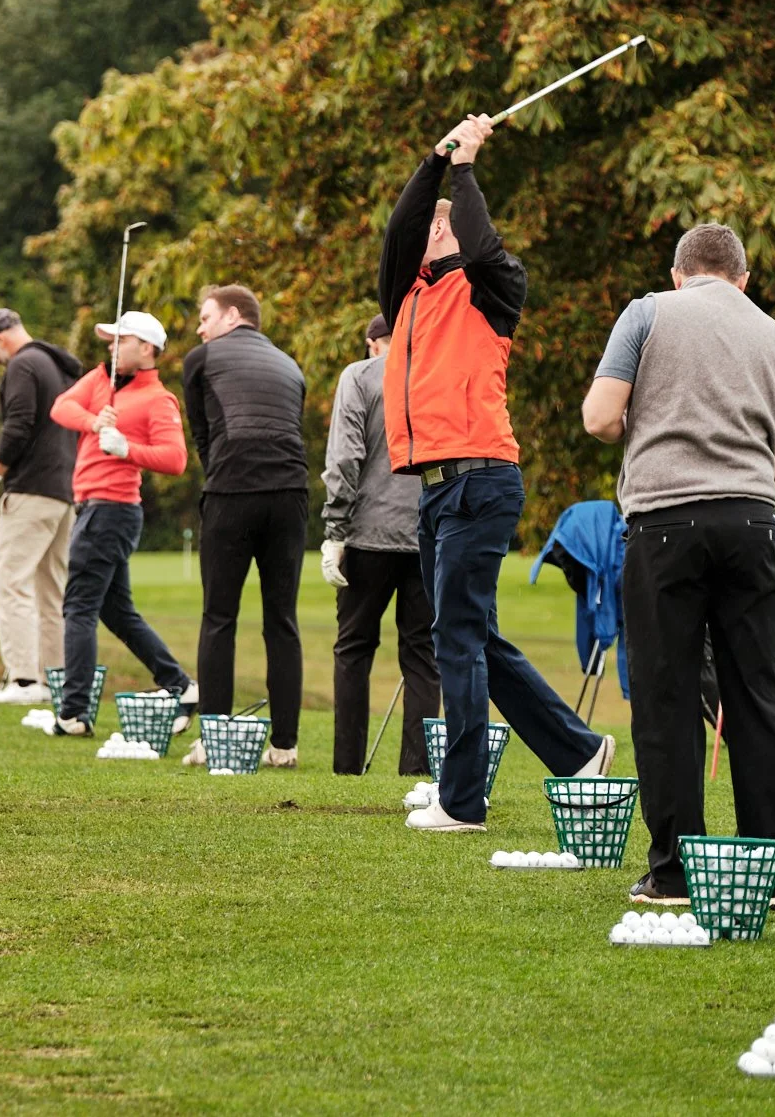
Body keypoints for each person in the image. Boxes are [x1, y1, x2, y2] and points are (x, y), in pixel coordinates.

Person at [379, 116, 614, 832]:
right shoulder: (407, 296)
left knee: (456, 635)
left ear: (447, 235)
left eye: (434, 224)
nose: (419, 232)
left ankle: (463, 800)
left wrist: (467, 170)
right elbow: (398, 231)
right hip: (435, 488)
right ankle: (577, 751)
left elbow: (482, 241)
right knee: (473, 633)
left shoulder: (493, 286)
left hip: (481, 479)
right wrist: (433, 157)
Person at [581, 221, 775, 910]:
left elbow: (600, 417)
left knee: (667, 700)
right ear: (743, 280)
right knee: (758, 699)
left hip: (662, 525)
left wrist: (653, 418)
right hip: (752, 526)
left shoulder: (647, 312)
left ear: (679, 272)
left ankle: (674, 874)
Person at [46, 310, 197, 736]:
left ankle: (73, 713)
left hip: (111, 510)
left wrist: (126, 447)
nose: (111, 347)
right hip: (94, 508)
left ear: (146, 348)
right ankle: (181, 686)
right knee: (116, 611)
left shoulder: (158, 399)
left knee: (78, 607)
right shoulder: (100, 380)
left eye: (120, 340)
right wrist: (95, 423)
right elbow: (61, 407)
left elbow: (175, 459)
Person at [179, 284, 309, 768]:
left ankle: (213, 737)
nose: (200, 327)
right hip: (291, 496)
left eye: (205, 317)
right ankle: (285, 745)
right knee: (282, 621)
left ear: (232, 316)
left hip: (233, 494)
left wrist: (221, 474)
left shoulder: (200, 359)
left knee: (219, 618)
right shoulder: (290, 363)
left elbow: (202, 434)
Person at [321, 313, 438, 777]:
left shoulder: (360, 376)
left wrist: (335, 529)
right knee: (423, 656)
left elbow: (346, 456)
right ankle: (417, 769)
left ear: (373, 343)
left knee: (353, 648)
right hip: (426, 534)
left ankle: (347, 766)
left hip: (367, 534)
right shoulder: (438, 376)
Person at [0, 308, 84, 705]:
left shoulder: (23, 365)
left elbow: (17, 425)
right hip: (64, 492)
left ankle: (22, 681)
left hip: (32, 490)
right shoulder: (58, 366)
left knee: (10, 581)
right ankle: (54, 680)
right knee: (50, 591)